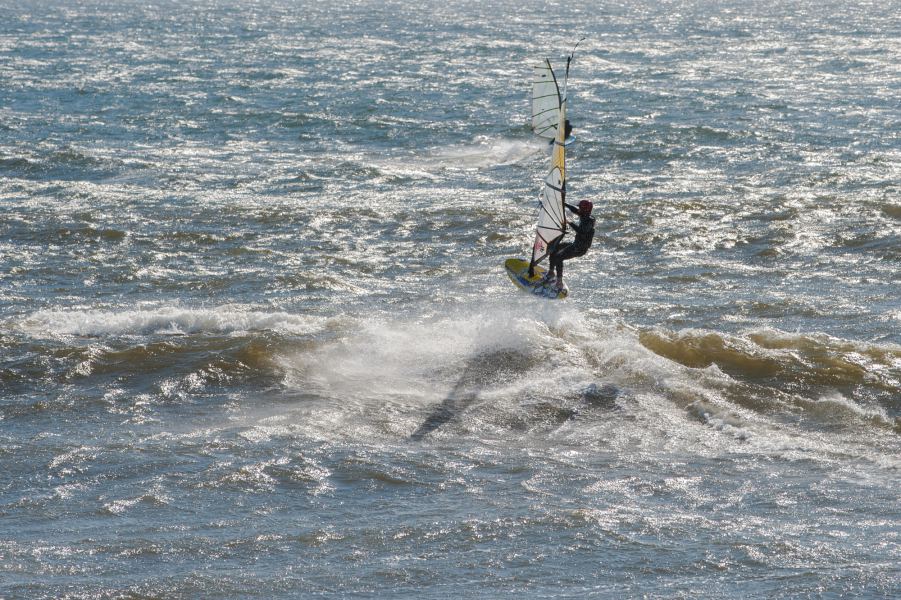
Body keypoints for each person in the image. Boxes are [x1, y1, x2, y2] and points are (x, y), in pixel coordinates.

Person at [543, 199, 595, 289]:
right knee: (555, 248)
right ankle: (551, 272)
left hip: (579, 248)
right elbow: (574, 210)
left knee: (559, 257)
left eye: (580, 208)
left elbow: (581, 231)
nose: (578, 209)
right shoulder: (584, 215)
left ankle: (559, 282)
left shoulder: (589, 221)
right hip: (575, 244)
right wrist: (563, 203)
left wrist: (569, 222)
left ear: (584, 209)